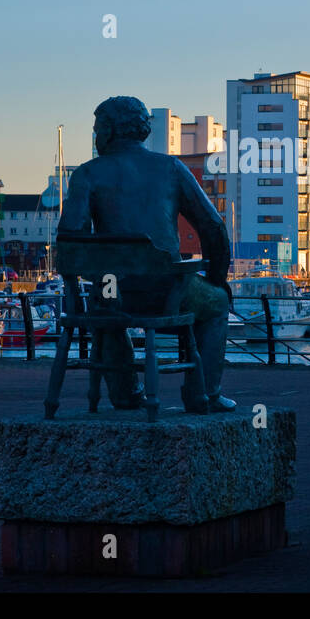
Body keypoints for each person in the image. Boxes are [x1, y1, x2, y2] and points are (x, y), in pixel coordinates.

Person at [58, 96, 235, 413]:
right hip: (168, 292)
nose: (96, 136)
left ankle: (125, 394)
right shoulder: (171, 168)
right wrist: (217, 279)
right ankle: (203, 394)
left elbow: (71, 240)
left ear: (109, 131)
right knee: (218, 302)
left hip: (114, 291)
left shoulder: (87, 174)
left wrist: (87, 277)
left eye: (97, 129)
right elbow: (214, 228)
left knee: (105, 307)